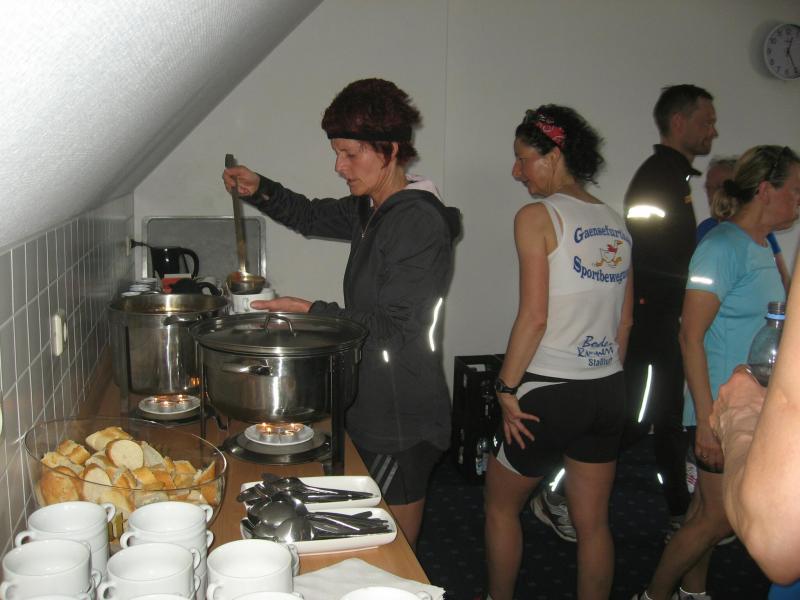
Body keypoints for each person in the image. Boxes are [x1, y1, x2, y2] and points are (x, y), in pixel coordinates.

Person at [221, 78, 462, 548]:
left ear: (390, 149)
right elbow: (311, 216)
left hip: (400, 415)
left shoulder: (416, 222)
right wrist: (260, 189)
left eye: (350, 154)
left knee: (392, 553)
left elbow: (394, 328)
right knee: (366, 539)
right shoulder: (373, 208)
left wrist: (311, 312)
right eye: (337, 153)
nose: (339, 166)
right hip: (371, 398)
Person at [532, 84, 718, 543]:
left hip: (664, 320)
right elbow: (642, 257)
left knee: (664, 417)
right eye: (707, 121)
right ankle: (555, 491)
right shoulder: (659, 179)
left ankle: (680, 510)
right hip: (652, 321)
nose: (713, 131)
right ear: (679, 122)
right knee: (635, 419)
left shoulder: (676, 178)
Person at [632, 145, 800, 600]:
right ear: (765, 190)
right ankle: (653, 595)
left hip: (746, 406)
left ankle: (692, 592)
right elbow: (690, 335)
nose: (798, 200)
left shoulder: (761, 246)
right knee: (719, 518)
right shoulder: (722, 247)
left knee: (703, 512)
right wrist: (707, 420)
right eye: (794, 190)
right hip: (718, 409)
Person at [483, 105, 633, 600]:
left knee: (500, 507)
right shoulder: (616, 221)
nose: (516, 171)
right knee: (594, 525)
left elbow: (534, 317)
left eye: (523, 159)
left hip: (548, 392)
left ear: (553, 156)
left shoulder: (537, 217)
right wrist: (602, 375)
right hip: (608, 389)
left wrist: (506, 388)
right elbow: (625, 322)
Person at [697, 156, 791, 292]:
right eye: (709, 188)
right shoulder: (707, 229)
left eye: (722, 186)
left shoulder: (761, 231)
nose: (713, 194)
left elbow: (783, 278)